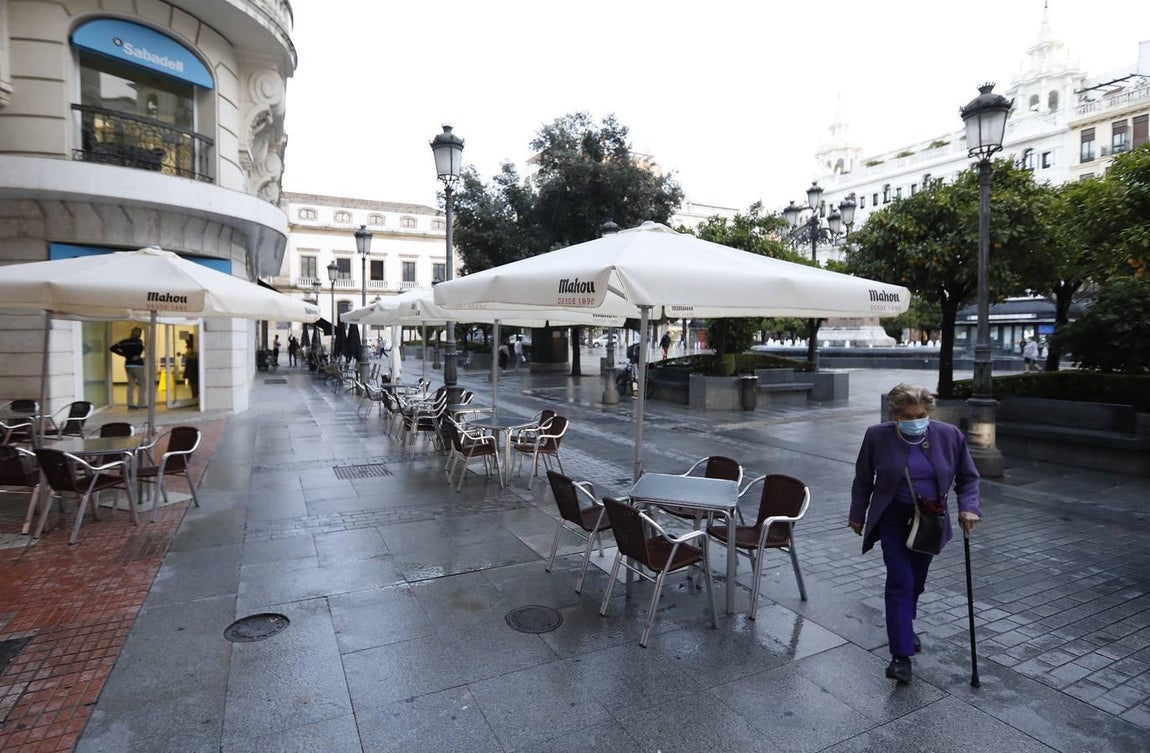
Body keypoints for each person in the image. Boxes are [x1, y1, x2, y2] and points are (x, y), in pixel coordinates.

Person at [849, 383, 982, 685]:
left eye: (920, 414)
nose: (915, 420)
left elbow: (968, 477)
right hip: (893, 520)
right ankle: (900, 656)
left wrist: (969, 507)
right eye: (907, 415)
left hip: (930, 521)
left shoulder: (949, 436)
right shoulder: (877, 436)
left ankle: (904, 627)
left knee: (916, 583)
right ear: (895, 415)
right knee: (900, 581)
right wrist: (857, 514)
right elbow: (862, 479)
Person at [110, 327, 146, 409]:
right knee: (143, 384)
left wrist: (125, 355)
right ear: (139, 334)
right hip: (137, 365)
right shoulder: (139, 342)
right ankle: (141, 404)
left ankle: (130, 404)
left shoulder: (124, 342)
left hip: (128, 364)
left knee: (131, 385)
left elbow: (112, 348)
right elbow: (140, 351)